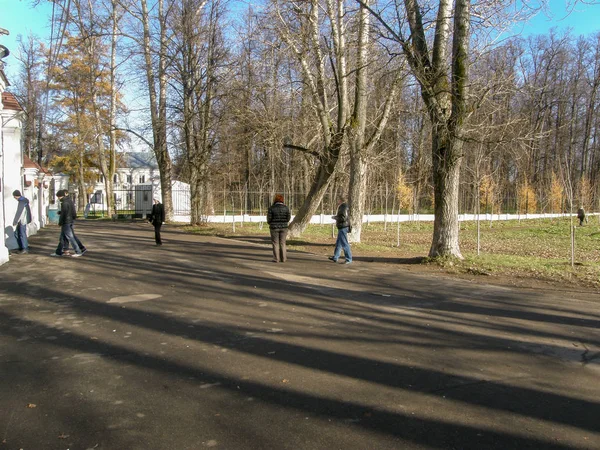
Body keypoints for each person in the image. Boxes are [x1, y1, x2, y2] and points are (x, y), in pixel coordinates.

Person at [52, 190, 84, 257]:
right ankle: (59, 252)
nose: (58, 198)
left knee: (70, 237)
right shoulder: (69, 201)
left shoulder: (64, 203)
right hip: (70, 221)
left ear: (61, 196)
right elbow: (71, 211)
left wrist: (60, 222)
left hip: (66, 222)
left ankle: (78, 251)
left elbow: (64, 214)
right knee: (63, 238)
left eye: (59, 196)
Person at [266, 194, 291, 262]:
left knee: (275, 243)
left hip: (274, 228)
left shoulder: (271, 208)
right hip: (284, 227)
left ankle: (276, 258)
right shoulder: (286, 208)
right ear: (282, 200)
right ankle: (284, 258)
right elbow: (288, 218)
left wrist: (271, 223)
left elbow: (269, 219)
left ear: (275, 200)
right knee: (283, 243)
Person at [328, 196, 352, 264]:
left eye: (338, 200)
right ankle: (336, 257)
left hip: (343, 227)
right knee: (339, 243)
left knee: (344, 243)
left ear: (340, 200)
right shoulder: (343, 206)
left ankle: (348, 259)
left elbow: (343, 218)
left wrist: (335, 217)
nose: (337, 201)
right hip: (342, 227)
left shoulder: (343, 207)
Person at [12, 190, 32, 254]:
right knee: (18, 233)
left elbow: (19, 212)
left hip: (22, 220)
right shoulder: (24, 200)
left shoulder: (21, 202)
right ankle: (22, 247)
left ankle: (24, 248)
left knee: (21, 234)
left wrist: (15, 221)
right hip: (24, 219)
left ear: (15, 196)